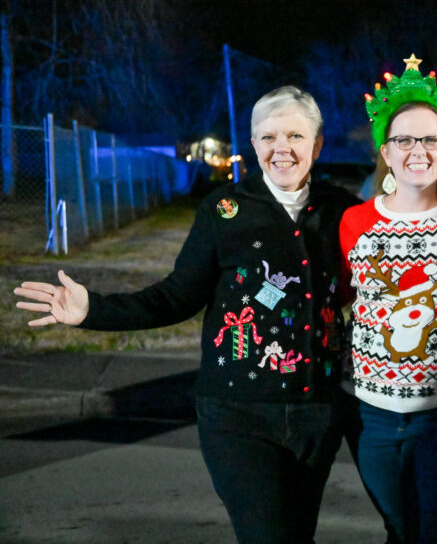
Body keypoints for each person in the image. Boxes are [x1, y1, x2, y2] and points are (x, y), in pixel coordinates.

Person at [14, 86, 360, 544]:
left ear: (316, 144)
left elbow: (403, 245)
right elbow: (175, 297)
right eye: (268, 136)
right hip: (237, 415)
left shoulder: (346, 211)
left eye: (296, 135)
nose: (282, 148)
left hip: (318, 411)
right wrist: (93, 310)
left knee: (297, 535)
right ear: (253, 144)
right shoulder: (223, 211)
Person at [339, 55, 437, 544]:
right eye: (404, 139)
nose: (417, 150)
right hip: (371, 412)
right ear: (385, 151)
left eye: (430, 139)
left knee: (432, 531)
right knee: (396, 526)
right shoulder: (353, 223)